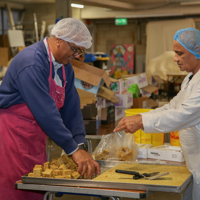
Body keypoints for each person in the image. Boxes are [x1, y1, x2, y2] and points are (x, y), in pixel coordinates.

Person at [0, 18, 100, 200]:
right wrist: (73, 150)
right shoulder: (31, 62)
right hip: (13, 136)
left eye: (81, 51)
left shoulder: (64, 66)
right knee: (18, 188)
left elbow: (71, 108)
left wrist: (79, 143)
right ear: (58, 40)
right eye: (75, 49)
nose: (77, 56)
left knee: (37, 185)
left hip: (36, 134)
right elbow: (45, 112)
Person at [114, 27, 200, 200]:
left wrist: (142, 121)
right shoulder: (190, 78)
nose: (175, 59)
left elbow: (182, 115)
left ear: (197, 51)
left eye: (180, 53)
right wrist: (141, 117)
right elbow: (172, 106)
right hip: (193, 161)